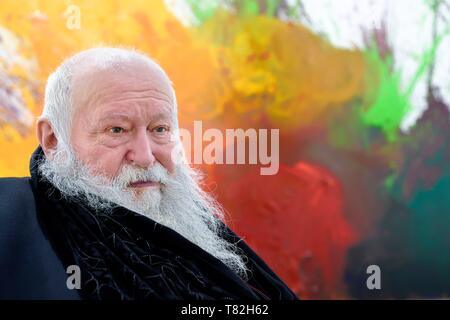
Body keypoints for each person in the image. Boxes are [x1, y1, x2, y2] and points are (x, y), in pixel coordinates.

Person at [0, 47, 297, 300]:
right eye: (116, 130)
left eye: (160, 129)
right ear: (52, 139)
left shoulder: (199, 232)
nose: (145, 156)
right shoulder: (9, 218)